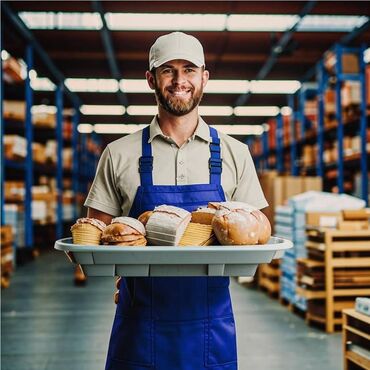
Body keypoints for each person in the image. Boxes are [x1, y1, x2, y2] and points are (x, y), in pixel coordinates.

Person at [84, 31, 268, 370]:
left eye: (189, 70)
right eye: (167, 70)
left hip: (211, 325)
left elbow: (256, 233)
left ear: (204, 78)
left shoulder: (235, 154)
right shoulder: (118, 154)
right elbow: (96, 235)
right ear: (150, 79)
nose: (179, 80)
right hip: (139, 321)